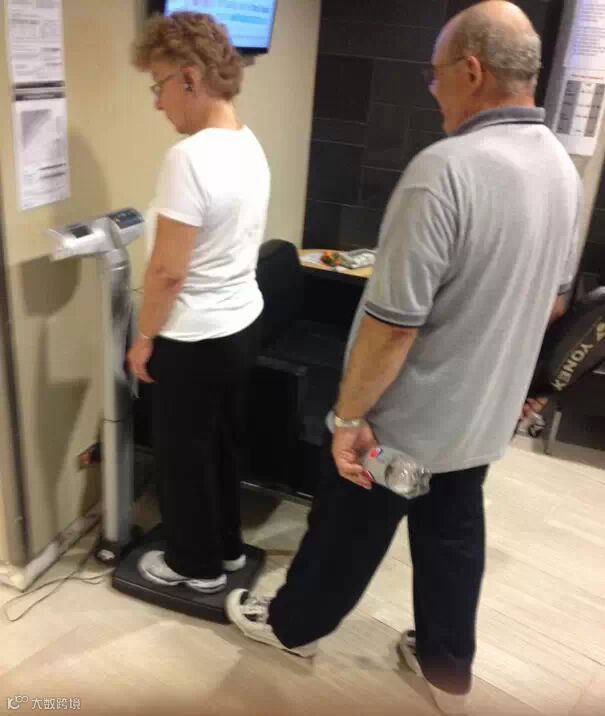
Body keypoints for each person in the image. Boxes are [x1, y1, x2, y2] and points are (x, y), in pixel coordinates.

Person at [226, 2, 580, 714]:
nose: (430, 87)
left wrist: (347, 417)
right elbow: (550, 302)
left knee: (345, 528)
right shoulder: (560, 168)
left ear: (471, 71)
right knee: (453, 532)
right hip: (480, 418)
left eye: (435, 72)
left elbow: (391, 326)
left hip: (404, 426)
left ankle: (292, 629)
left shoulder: (443, 170)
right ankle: (446, 667)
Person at [127, 12, 270, 594]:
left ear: (189, 77)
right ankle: (227, 549)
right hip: (241, 325)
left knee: (183, 456)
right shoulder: (247, 142)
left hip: (192, 337)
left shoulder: (188, 158)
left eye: (158, 85)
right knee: (221, 447)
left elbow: (168, 271)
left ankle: (195, 566)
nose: (158, 103)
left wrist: (143, 340)